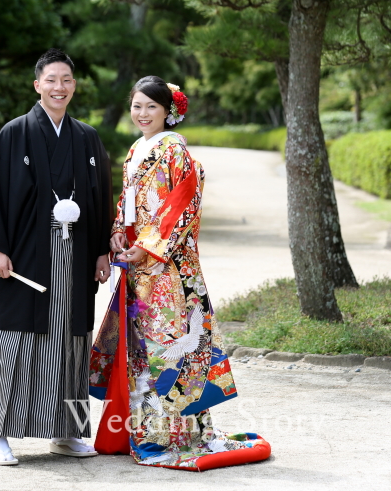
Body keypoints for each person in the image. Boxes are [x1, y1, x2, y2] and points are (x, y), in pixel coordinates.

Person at [88, 76, 270, 470]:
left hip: (170, 269)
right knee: (141, 349)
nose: (142, 114)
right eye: (136, 106)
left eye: (151, 107)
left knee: (168, 348)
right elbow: (127, 202)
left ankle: (171, 436)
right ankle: (142, 433)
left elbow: (182, 205)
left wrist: (148, 247)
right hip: (138, 265)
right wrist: (118, 232)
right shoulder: (137, 149)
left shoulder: (176, 152)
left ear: (168, 112)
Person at [0, 48, 113, 466]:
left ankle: (68, 433)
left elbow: (101, 197)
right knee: (16, 341)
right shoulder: (15, 133)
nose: (59, 87)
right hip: (26, 253)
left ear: (74, 86)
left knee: (72, 344)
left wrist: (102, 250)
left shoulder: (87, 137)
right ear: (37, 85)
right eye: (51, 80)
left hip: (77, 253)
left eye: (66, 80)